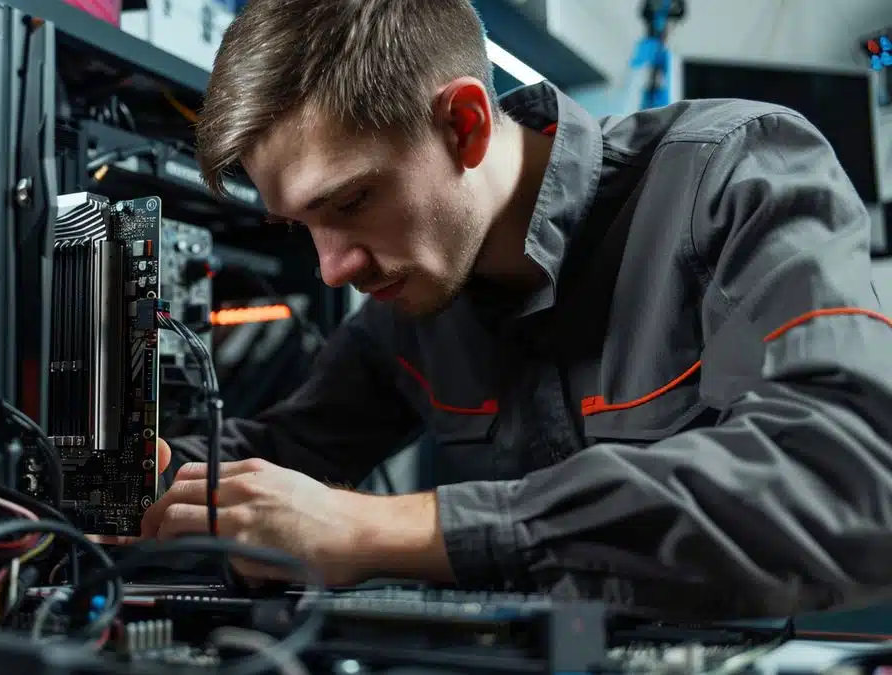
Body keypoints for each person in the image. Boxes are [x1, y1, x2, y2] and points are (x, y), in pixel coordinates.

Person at [138, 0, 892, 617]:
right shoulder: (407, 308)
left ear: (463, 124)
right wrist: (149, 479)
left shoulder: (732, 176)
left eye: (354, 201)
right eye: (303, 226)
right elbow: (280, 456)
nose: (333, 268)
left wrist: (382, 526)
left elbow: (849, 477)